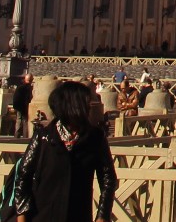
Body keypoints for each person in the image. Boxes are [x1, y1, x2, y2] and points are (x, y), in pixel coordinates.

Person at [13, 80, 116, 222]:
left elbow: (108, 178)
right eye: (86, 102)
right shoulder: (44, 137)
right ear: (73, 105)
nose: (89, 106)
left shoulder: (95, 138)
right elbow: (23, 176)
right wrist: (22, 213)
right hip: (43, 214)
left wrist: (102, 215)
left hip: (78, 214)